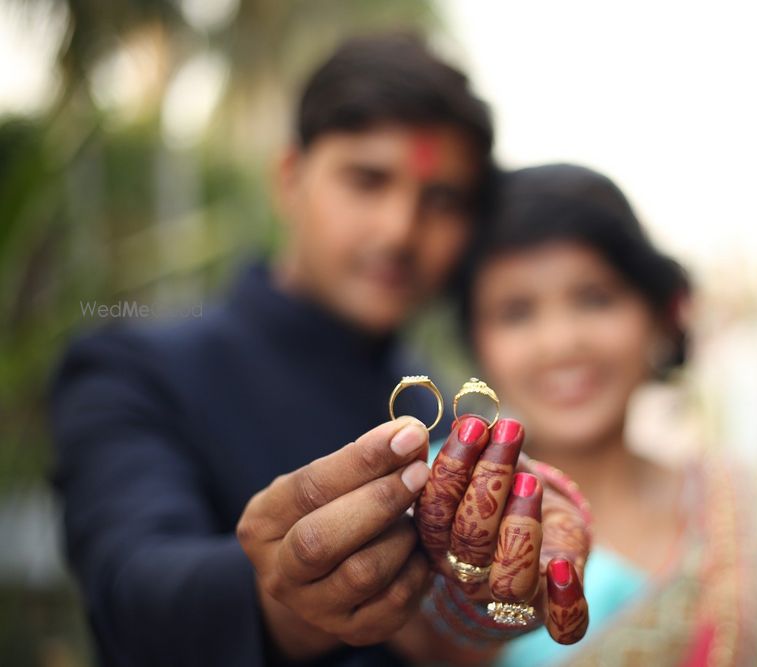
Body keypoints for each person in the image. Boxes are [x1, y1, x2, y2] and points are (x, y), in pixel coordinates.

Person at [48, 36, 588, 667]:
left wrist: (480, 607)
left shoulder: (447, 415)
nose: (399, 230)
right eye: (367, 180)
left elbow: (458, 634)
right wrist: (281, 600)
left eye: (441, 200)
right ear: (290, 178)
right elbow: (130, 592)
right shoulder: (133, 372)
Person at [454, 164, 757, 666]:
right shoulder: (442, 510)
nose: (562, 342)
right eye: (517, 312)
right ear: (476, 342)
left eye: (595, 299)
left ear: (657, 315)